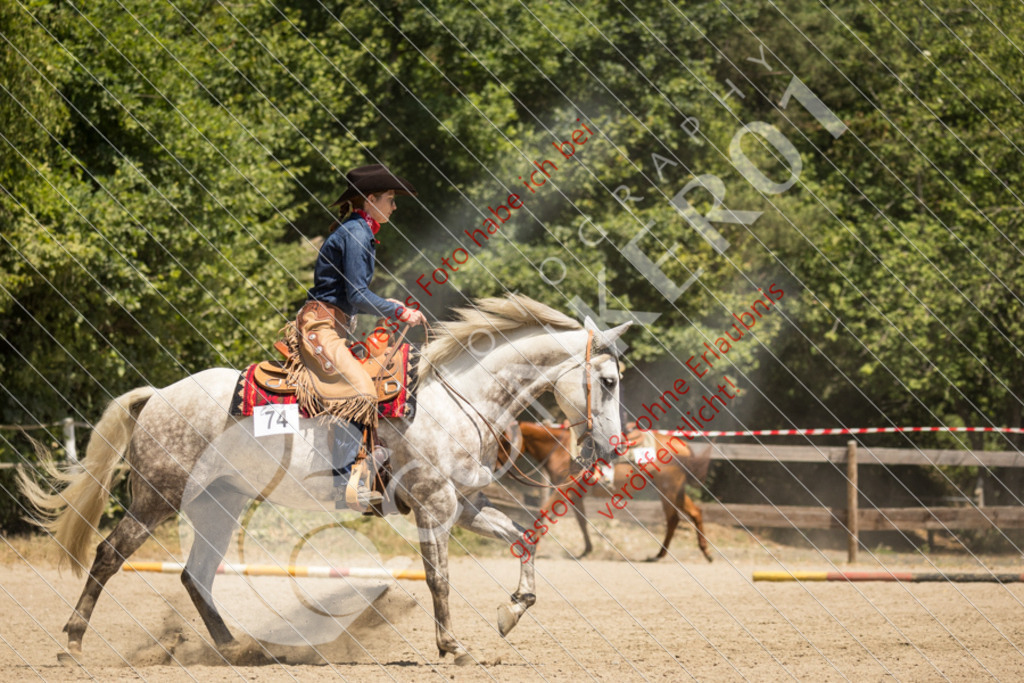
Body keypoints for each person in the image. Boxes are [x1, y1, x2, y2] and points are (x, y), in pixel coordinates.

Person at [298, 163, 425, 510]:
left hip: (334, 327)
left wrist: (389, 304)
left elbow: (353, 295)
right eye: (389, 199)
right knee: (360, 388)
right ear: (370, 199)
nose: (393, 207)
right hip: (320, 328)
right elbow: (356, 295)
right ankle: (343, 484)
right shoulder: (356, 233)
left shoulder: (359, 230)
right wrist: (399, 311)